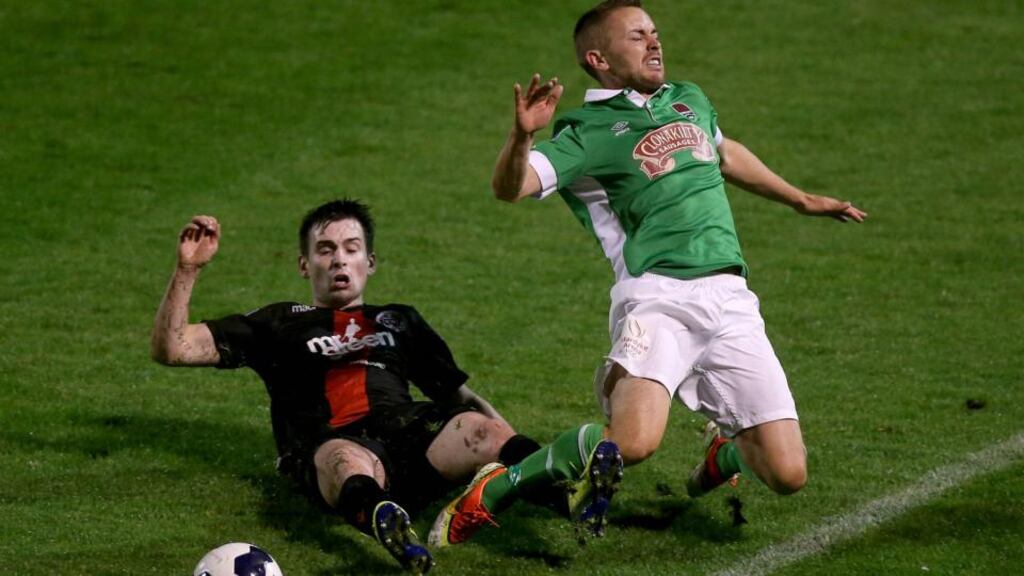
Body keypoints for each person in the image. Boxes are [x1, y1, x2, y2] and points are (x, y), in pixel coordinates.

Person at [482, 0, 867, 516]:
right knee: (634, 444)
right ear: (599, 59)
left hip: (731, 297)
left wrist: (799, 198)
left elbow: (723, 152)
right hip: (657, 296)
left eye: (654, 32)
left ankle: (724, 451)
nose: (655, 42)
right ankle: (497, 489)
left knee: (788, 474)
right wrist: (523, 134)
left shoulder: (689, 99)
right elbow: (513, 187)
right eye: (637, 36)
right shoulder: (586, 130)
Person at [150, 200, 547, 574]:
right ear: (304, 265)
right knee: (344, 460)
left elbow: (459, 397)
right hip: (331, 443)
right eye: (325, 249)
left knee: (482, 429)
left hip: (410, 440)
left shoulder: (400, 320)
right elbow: (173, 347)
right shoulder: (278, 323)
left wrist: (508, 438)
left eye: (351, 248)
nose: (339, 258)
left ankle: (556, 482)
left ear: (369, 262)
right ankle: (389, 526)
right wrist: (188, 270)